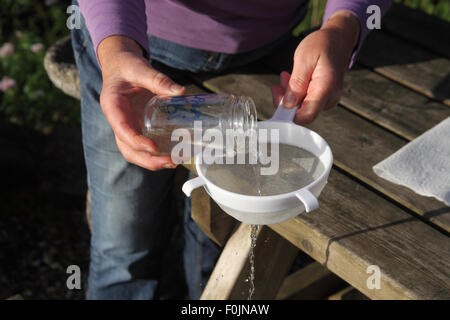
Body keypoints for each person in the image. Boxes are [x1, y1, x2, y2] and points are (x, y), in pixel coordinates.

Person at [72, 0, 391, 299]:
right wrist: (116, 48)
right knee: (123, 244)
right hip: (127, 44)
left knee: (218, 241)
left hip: (267, 48)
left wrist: (342, 26)